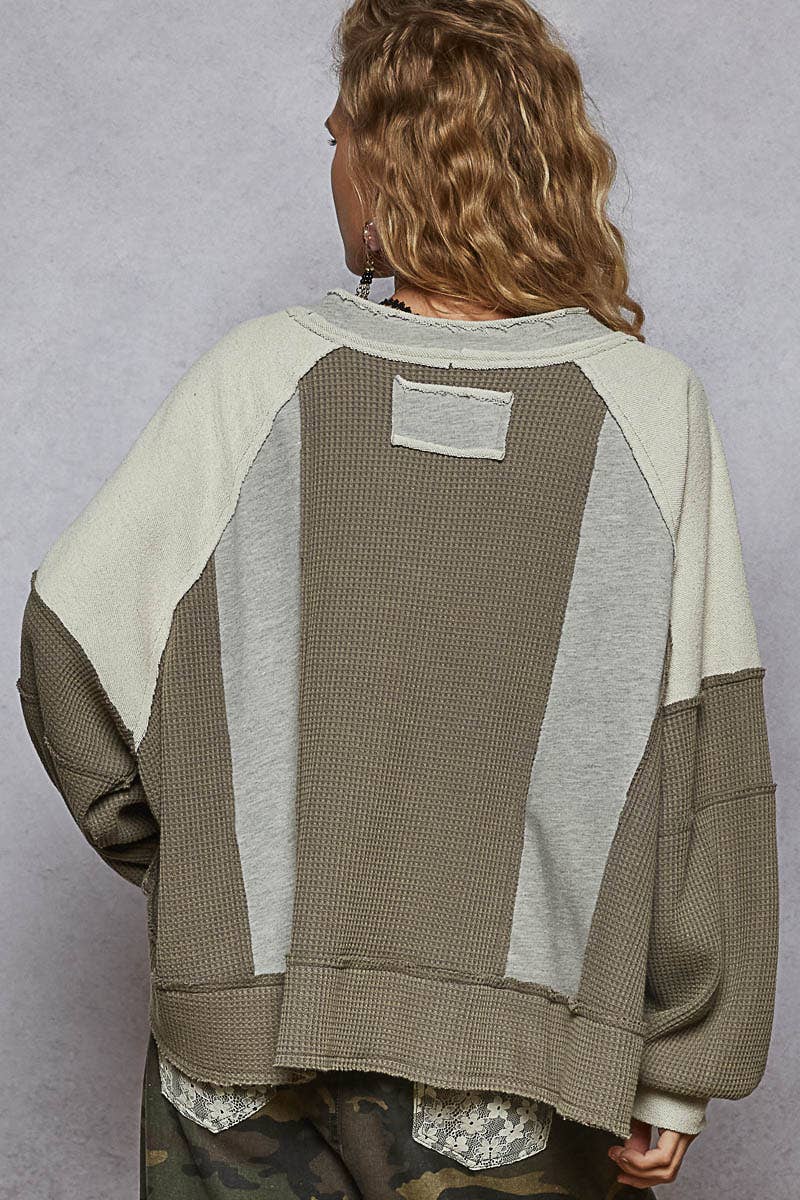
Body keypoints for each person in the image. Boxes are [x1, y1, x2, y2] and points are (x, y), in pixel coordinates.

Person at [17, 2, 779, 1197]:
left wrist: (193, 871)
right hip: (519, 1063)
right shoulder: (645, 412)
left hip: (239, 1048)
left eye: (339, 137)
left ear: (391, 160)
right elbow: (705, 766)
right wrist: (679, 1062)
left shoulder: (257, 379)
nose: (330, 167)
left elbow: (69, 646)